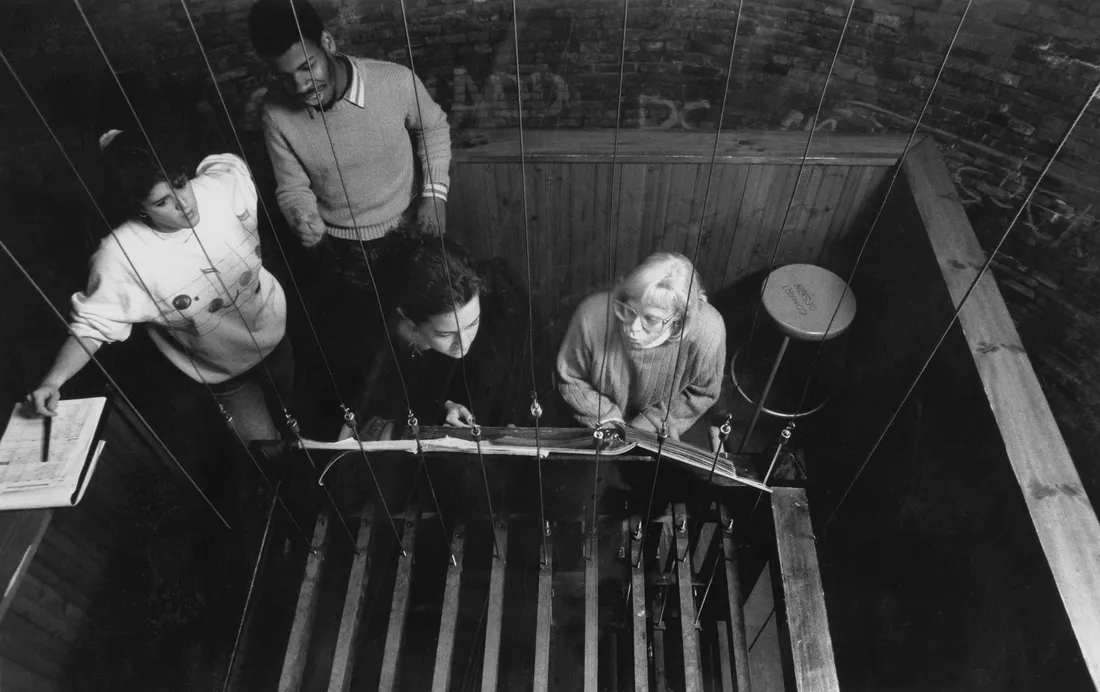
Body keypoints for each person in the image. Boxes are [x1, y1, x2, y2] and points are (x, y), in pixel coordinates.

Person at [27, 129, 292, 454]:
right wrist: (52, 381)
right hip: (221, 372)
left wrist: (122, 142)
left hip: (275, 334)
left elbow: (227, 163)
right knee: (266, 448)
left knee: (295, 411)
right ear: (139, 208)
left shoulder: (219, 188)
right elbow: (93, 325)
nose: (183, 204)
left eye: (180, 183)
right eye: (162, 201)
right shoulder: (120, 256)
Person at [247, 0, 451, 247]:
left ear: (328, 43)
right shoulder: (274, 111)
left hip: (410, 227)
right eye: (285, 77)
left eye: (308, 67)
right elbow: (292, 187)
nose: (300, 86)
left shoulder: (395, 80)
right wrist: (302, 217)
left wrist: (435, 195)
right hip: (339, 245)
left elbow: (433, 127)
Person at [346, 232, 544, 434]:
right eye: (444, 334)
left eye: (472, 323)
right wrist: (441, 407)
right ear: (410, 320)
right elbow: (402, 396)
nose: (464, 343)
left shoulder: (497, 308)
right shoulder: (387, 344)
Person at [556, 252, 726, 442]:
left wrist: (646, 426)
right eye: (628, 310)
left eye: (650, 319)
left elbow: (702, 392)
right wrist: (606, 417)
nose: (632, 328)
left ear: (678, 321)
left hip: (663, 429)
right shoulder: (591, 315)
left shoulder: (709, 331)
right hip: (597, 423)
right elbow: (570, 377)